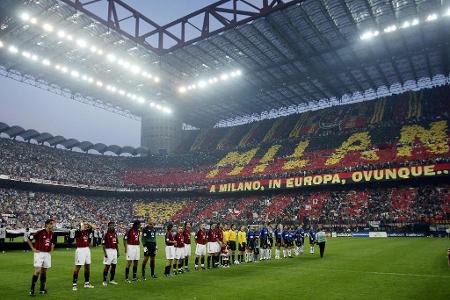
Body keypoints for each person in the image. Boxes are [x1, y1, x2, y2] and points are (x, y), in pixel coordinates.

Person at [27, 219, 55, 297]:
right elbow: (29, 238)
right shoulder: (40, 232)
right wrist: (32, 248)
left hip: (47, 254)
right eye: (50, 224)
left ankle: (42, 289)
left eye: (52, 224)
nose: (52, 225)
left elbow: (53, 243)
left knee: (44, 271)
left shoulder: (52, 233)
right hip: (39, 253)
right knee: (38, 270)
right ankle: (32, 290)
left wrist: (51, 250)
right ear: (46, 224)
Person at [72, 222, 94, 291]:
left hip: (87, 249)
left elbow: (93, 227)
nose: (85, 226)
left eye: (85, 225)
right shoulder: (77, 232)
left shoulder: (87, 231)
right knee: (78, 267)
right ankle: (74, 284)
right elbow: (81, 229)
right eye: (84, 225)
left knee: (87, 266)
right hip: (80, 250)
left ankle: (86, 283)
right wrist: (82, 223)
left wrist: (87, 223)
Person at [102, 221, 119, 286]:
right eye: (111, 225)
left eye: (113, 225)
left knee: (114, 266)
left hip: (114, 251)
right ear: (108, 226)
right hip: (108, 251)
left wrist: (118, 252)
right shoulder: (106, 234)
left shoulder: (115, 234)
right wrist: (105, 253)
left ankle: (112, 280)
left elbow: (116, 243)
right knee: (107, 266)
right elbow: (103, 244)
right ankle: (104, 280)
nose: (112, 226)